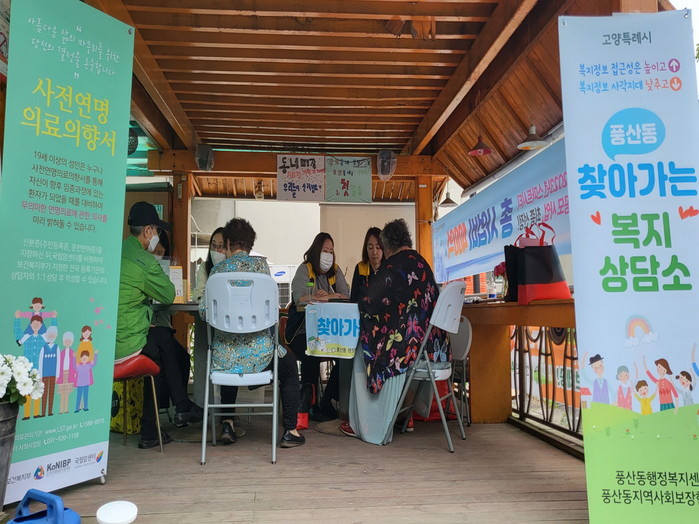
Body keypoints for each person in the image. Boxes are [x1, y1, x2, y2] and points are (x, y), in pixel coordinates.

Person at [200, 217, 305, 448]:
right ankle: (290, 431)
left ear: (228, 243)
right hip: (261, 359)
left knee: (228, 350)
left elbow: (204, 312)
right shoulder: (262, 269)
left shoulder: (216, 273)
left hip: (223, 359)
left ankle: (227, 423)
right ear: (250, 245)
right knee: (289, 367)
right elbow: (272, 313)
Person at [343, 219, 448, 444]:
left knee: (362, 348)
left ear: (388, 246)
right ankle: (402, 414)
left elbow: (368, 301)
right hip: (433, 347)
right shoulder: (422, 263)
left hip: (407, 350)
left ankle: (366, 423)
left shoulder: (393, 265)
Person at [116, 201, 203, 449]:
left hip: (107, 338)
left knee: (165, 343)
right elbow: (167, 294)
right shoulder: (145, 262)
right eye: (156, 230)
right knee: (162, 345)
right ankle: (175, 411)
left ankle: (160, 423)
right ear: (148, 231)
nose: (156, 235)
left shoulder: (116, 252)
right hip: (127, 341)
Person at [287, 233, 350, 424]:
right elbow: (300, 298)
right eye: (325, 250)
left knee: (346, 355)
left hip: (328, 332)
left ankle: (327, 400)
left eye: (331, 251)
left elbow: (347, 295)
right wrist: (324, 297)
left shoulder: (335, 271)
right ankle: (309, 406)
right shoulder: (305, 269)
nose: (328, 255)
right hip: (301, 331)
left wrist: (327, 297)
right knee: (311, 353)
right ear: (316, 251)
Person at [191, 227, 226, 303]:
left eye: (220, 246)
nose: (215, 250)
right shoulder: (204, 267)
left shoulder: (234, 268)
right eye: (213, 245)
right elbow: (198, 295)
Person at [349, 227, 383, 303]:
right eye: (370, 248)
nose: (374, 252)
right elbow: (354, 299)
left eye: (378, 247)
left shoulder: (389, 267)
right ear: (366, 249)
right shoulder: (360, 267)